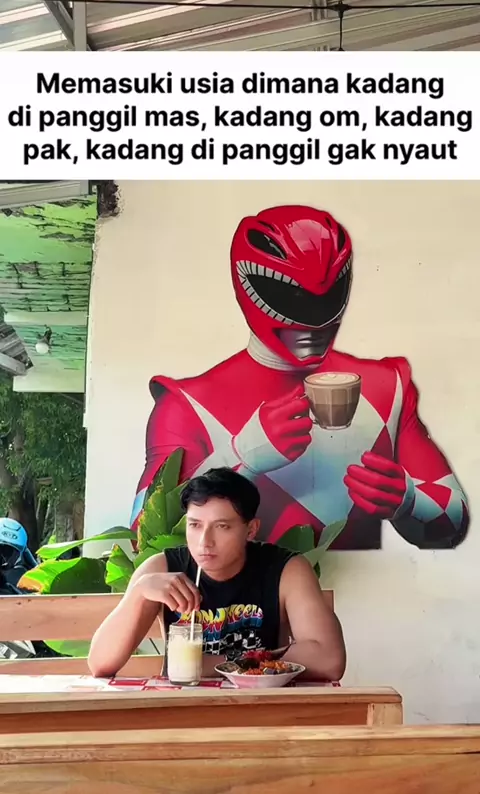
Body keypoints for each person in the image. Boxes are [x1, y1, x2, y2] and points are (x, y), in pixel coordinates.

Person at [131, 205, 469, 551]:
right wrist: (241, 457)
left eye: (327, 298)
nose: (313, 323)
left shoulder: (388, 387)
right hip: (249, 588)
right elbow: (145, 539)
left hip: (353, 586)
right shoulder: (187, 406)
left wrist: (409, 500)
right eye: (289, 297)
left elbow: (452, 523)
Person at [88, 467, 346, 682]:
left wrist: (218, 664)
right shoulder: (162, 568)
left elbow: (329, 660)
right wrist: (138, 594)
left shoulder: (286, 570)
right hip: (183, 707)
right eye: (195, 525)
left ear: (251, 530)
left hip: (260, 707)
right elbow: (100, 664)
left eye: (222, 526)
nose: (204, 541)